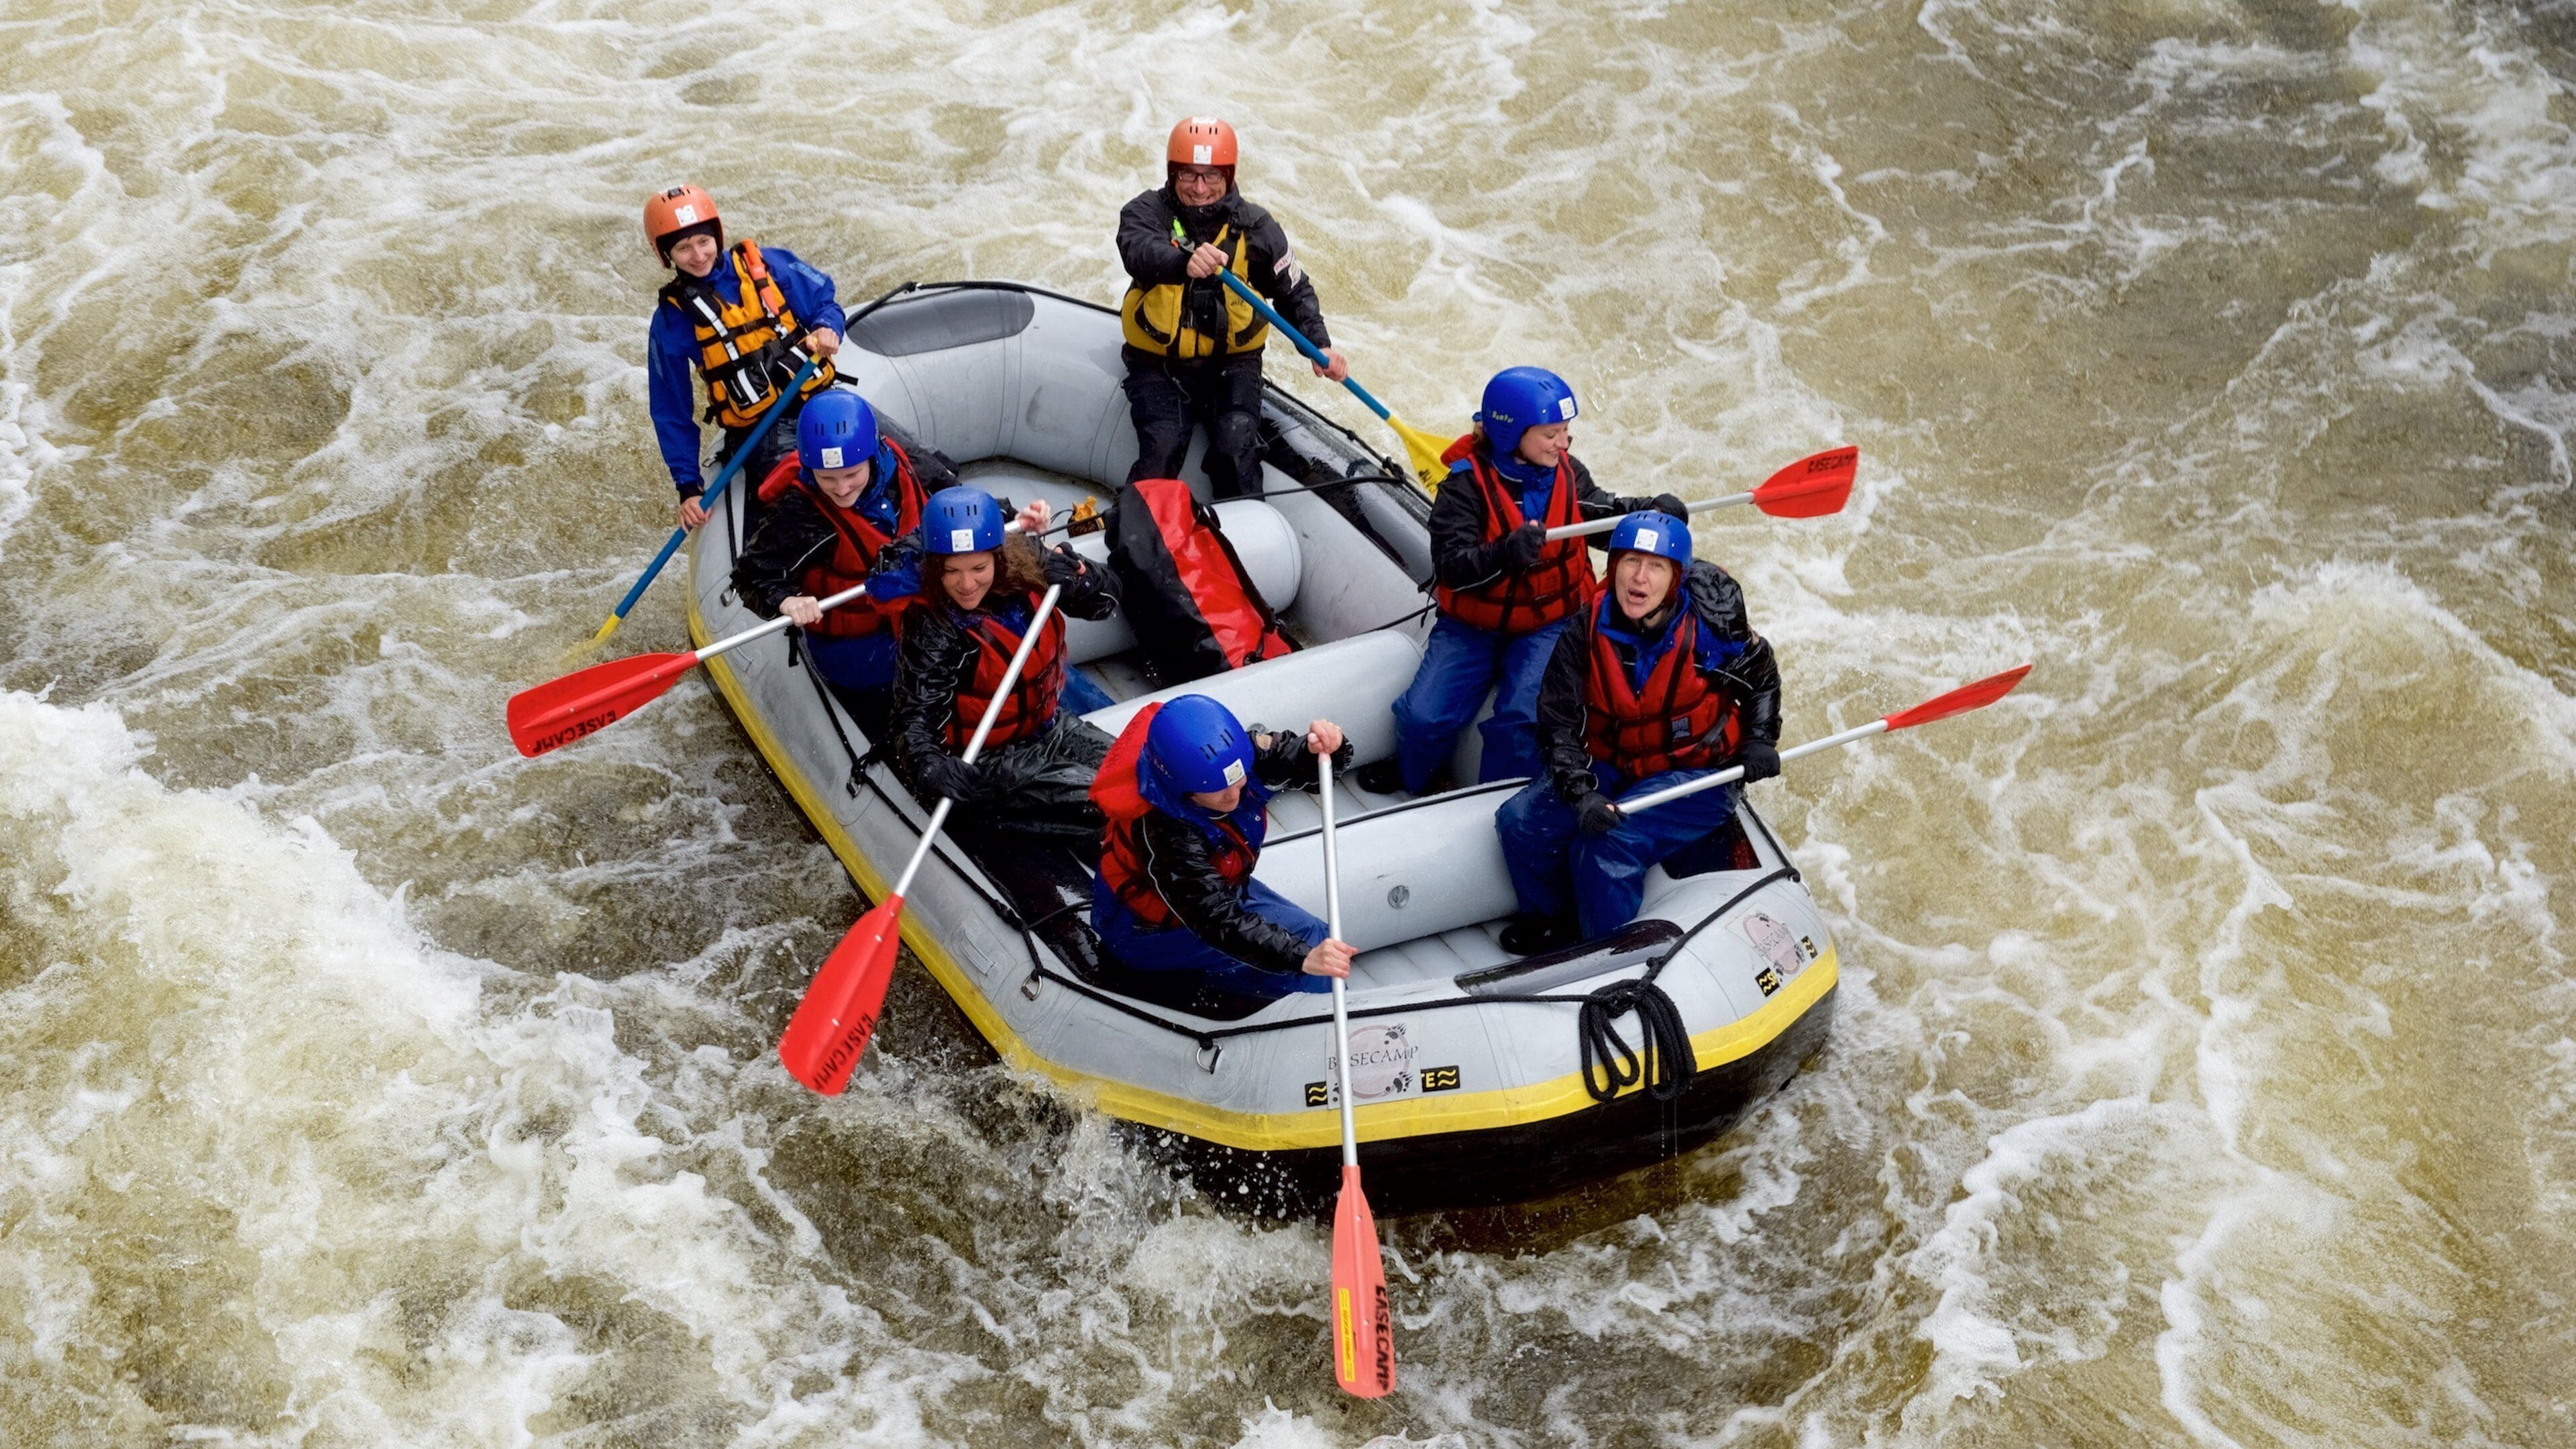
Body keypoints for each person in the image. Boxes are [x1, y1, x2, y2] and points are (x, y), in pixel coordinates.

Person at [1367, 366, 1690, 796]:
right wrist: (1505, 552)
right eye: (1552, 433)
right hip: (1473, 628)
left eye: (1566, 432)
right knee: (1424, 716)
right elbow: (1451, 566)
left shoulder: (1568, 471)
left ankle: (1491, 804)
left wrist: (1649, 511)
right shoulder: (1464, 486)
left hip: (1551, 623)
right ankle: (1412, 777)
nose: (1564, 442)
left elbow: (1600, 517)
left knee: (1524, 715)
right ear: (1511, 433)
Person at [1491, 512, 1782, 955]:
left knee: (1606, 844)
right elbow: (1558, 718)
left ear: (1676, 578)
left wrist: (1762, 739)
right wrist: (1580, 792)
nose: (1639, 579)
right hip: (1614, 762)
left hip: (1696, 774)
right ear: (1614, 567)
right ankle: (1552, 921)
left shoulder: (1711, 629)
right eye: (1629, 562)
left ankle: (1609, 959)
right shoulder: (1584, 630)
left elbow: (1763, 677)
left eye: (1656, 567)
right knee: (1518, 824)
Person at [1116, 117, 1346, 500]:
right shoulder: (1147, 213)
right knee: (1162, 449)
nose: (1200, 188)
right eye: (1189, 175)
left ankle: (1240, 543)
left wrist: (1318, 345)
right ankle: (1139, 544)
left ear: (1229, 176)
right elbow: (1137, 250)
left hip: (1233, 366)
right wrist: (1182, 263)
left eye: (1211, 177)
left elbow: (1294, 290)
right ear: (1173, 173)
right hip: (1159, 366)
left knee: (1237, 448)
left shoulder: (1256, 227)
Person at [887, 486, 1122, 843]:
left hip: (1050, 728)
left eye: (979, 568)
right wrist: (929, 767)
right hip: (985, 760)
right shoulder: (932, 628)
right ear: (936, 569)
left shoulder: (1030, 563)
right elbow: (915, 718)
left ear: (999, 556)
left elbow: (1105, 603)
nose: (967, 585)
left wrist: (1082, 578)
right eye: (952, 572)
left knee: (1138, 773)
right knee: (1110, 802)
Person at [1090, 694, 1356, 1004]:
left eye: (1239, 781)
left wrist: (1318, 750)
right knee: (1307, 966)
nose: (1235, 796)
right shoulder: (1167, 834)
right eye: (1218, 791)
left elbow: (1284, 756)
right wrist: (1302, 958)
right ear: (1183, 789)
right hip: (1151, 933)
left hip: (1225, 889)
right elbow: (1214, 917)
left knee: (1317, 933)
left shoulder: (1232, 759)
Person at [730, 390, 958, 718]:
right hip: (854, 645)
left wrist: (1009, 519)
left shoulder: (901, 460)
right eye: (827, 478)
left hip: (915, 611)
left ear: (873, 453)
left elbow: (953, 500)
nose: (841, 489)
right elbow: (749, 575)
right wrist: (786, 600)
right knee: (953, 662)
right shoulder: (802, 513)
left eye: (851, 474)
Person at [643, 184, 845, 532]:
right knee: (806, 504)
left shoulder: (768, 264)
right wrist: (688, 487)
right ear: (667, 255)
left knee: (924, 465)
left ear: (717, 236)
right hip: (760, 430)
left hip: (821, 401)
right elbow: (670, 409)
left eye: (704, 241)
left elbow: (825, 303)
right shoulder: (671, 321)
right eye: (683, 248)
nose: (698, 255)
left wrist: (828, 328)